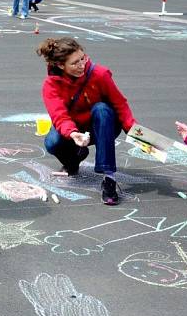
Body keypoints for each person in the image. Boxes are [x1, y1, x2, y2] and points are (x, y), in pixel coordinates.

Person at [37, 37, 136, 205]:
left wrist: (135, 132)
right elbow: (59, 115)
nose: (82, 65)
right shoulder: (51, 85)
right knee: (52, 142)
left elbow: (120, 104)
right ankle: (74, 160)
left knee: (102, 109)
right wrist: (73, 133)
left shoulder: (100, 74)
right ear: (61, 65)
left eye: (83, 58)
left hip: (103, 125)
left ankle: (109, 178)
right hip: (76, 128)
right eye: (75, 63)